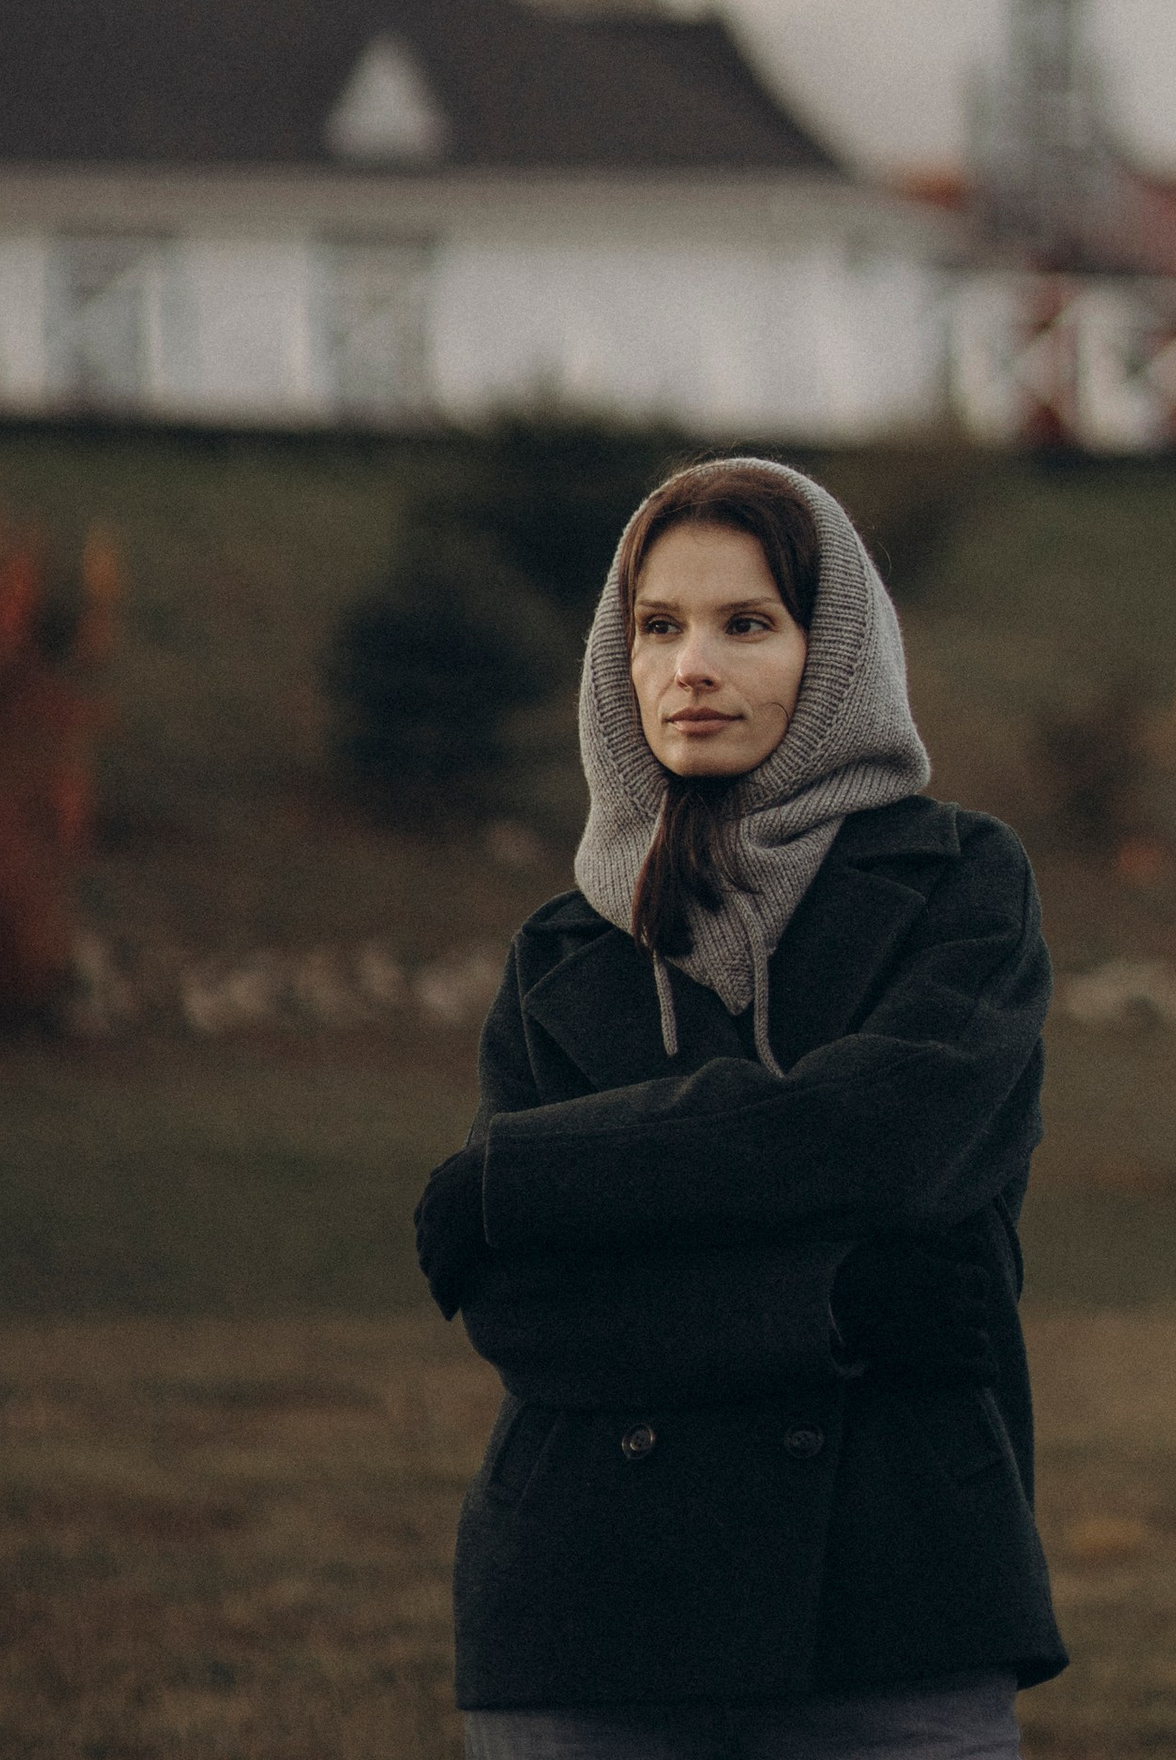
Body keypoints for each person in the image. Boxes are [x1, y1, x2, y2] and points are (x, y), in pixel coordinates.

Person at [413, 454, 1066, 1758]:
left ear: (835, 656)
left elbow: (894, 1135)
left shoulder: (958, 884)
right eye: (659, 624)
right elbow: (526, 1302)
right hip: (584, 1606)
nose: (690, 664)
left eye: (745, 622)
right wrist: (833, 1306)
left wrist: (533, 1176)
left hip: (892, 1590)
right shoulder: (564, 948)